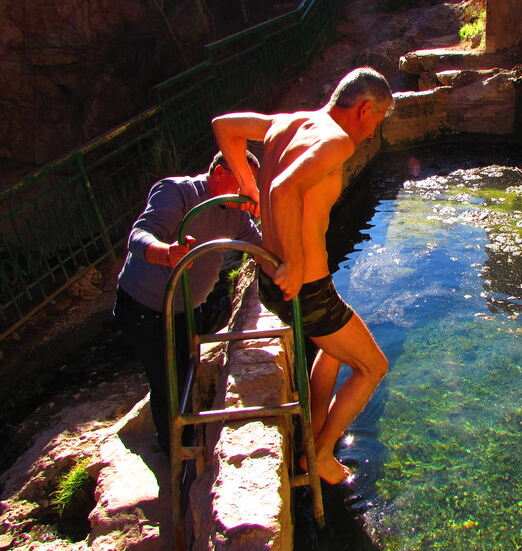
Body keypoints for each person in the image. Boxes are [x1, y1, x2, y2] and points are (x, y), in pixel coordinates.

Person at [212, 67, 394, 484]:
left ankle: (311, 435)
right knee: (372, 367)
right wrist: (294, 261)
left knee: (332, 349)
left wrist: (246, 185)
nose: (370, 136)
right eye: (376, 123)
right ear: (365, 109)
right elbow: (284, 189)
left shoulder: (285, 123)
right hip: (304, 289)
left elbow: (223, 127)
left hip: (272, 280)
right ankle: (320, 457)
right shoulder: (335, 141)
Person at [114, 151, 263, 454]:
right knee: (169, 380)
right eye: (243, 181)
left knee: (184, 372)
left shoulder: (234, 213)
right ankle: (177, 452)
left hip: (186, 309)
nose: (246, 190)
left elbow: (260, 246)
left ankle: (185, 439)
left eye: (251, 184)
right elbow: (139, 234)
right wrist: (165, 252)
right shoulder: (178, 192)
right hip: (146, 308)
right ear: (219, 173)